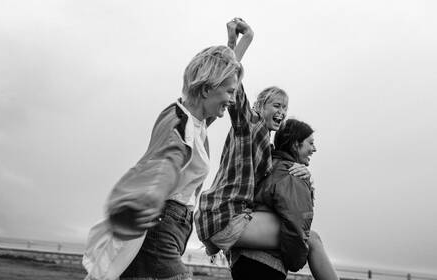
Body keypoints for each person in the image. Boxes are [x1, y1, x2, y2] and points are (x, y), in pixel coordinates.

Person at [195, 18, 338, 280]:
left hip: (229, 218)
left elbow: (277, 180)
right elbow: (230, 83)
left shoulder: (266, 147)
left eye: (285, 107)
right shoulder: (250, 123)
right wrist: (239, 41)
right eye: (276, 105)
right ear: (260, 105)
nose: (281, 112)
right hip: (224, 214)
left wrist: (304, 173)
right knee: (312, 239)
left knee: (309, 237)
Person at [102, 39, 250, 280]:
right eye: (230, 92)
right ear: (206, 90)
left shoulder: (197, 121)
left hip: (175, 224)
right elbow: (163, 163)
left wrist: (237, 43)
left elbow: (223, 75)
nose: (233, 100)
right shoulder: (179, 123)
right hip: (160, 224)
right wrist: (147, 197)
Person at [231, 118, 317, 280]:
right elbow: (297, 223)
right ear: (295, 145)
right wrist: (296, 261)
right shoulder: (292, 175)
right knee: (315, 239)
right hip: (267, 263)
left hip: (241, 258)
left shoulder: (264, 164)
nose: (314, 149)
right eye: (310, 143)